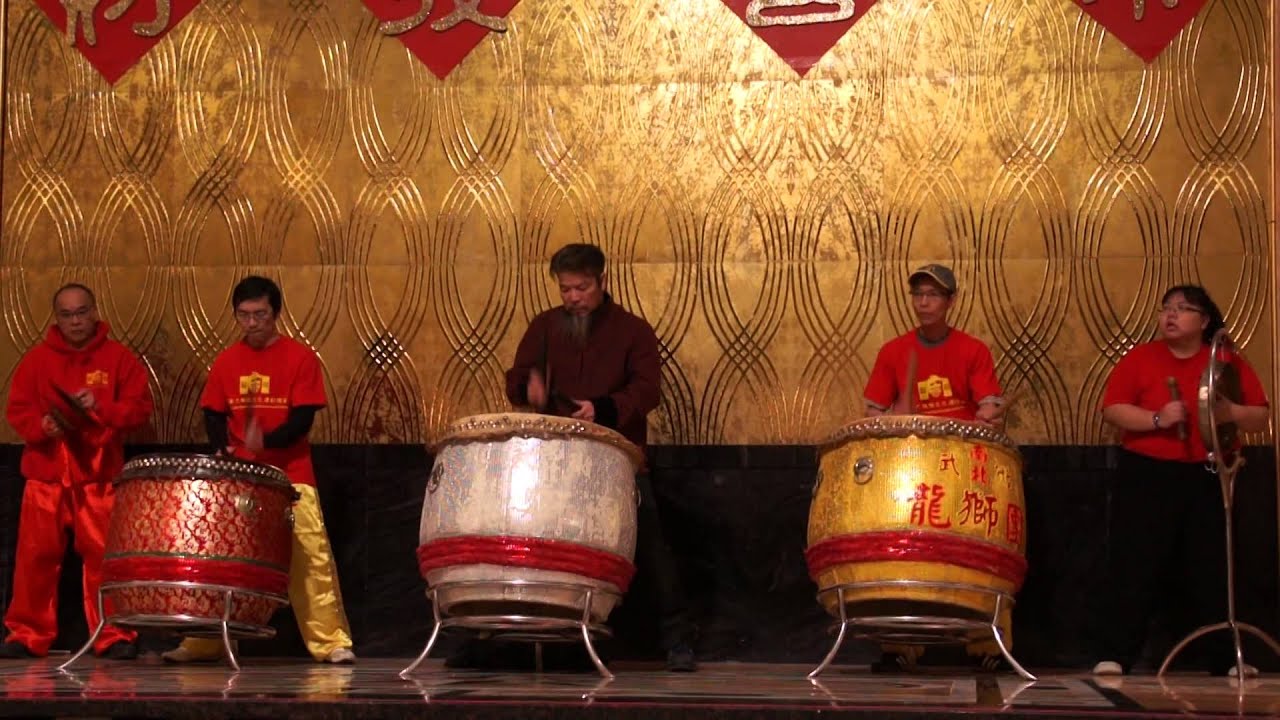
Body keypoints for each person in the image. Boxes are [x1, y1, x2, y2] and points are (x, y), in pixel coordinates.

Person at [452, 242, 697, 672]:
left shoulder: (633, 330)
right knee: (518, 543)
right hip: (553, 462)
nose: (572, 298)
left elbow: (648, 390)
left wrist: (602, 409)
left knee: (652, 548)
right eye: (565, 289)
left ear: (602, 282)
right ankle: (485, 642)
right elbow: (518, 375)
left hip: (617, 459)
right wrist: (527, 387)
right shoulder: (545, 326)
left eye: (581, 288)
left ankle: (678, 640)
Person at [162, 276, 355, 665]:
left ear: (276, 314)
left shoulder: (299, 357)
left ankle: (330, 641)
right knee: (218, 560)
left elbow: (302, 419)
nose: (252, 324)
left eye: (260, 315)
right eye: (244, 316)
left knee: (308, 558)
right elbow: (214, 413)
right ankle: (205, 641)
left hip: (290, 475)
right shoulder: (227, 360)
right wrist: (224, 447)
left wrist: (267, 443)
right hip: (237, 477)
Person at [1092, 285, 1269, 678]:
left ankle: (1226, 658)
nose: (1170, 316)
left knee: (1212, 567)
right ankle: (1116, 653)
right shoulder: (1140, 358)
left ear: (1204, 321)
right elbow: (1114, 409)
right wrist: (1158, 419)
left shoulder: (1225, 361)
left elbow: (1259, 416)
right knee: (1135, 565)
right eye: (1166, 308)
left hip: (1208, 473)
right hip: (1147, 472)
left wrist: (1229, 412)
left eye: (1182, 309)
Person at [862, 264, 1008, 670]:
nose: (923, 302)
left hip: (959, 467)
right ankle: (901, 645)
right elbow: (874, 410)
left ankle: (986, 643)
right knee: (904, 556)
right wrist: (890, 420)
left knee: (974, 554)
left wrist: (989, 414)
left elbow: (989, 405)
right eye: (918, 294)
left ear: (951, 302)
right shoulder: (894, 352)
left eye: (933, 295)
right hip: (910, 470)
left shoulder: (972, 350)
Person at [0, 284, 153, 660]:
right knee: (34, 560)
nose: (76, 321)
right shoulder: (36, 361)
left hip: (98, 476)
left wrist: (100, 407)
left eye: (82, 312)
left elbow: (139, 409)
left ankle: (113, 633)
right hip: (46, 474)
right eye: (67, 314)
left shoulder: (118, 358)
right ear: (57, 318)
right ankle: (26, 633)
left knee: (105, 559)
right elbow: (18, 411)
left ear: (95, 311)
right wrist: (42, 428)